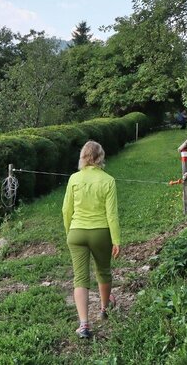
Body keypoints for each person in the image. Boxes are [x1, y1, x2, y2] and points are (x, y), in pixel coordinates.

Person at [62, 140, 121, 339]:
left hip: (76, 232)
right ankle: (104, 308)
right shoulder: (108, 180)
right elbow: (112, 214)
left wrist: (69, 231)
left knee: (80, 278)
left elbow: (66, 210)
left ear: (83, 157)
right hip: (100, 232)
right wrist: (116, 240)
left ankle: (84, 325)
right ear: (100, 157)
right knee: (103, 271)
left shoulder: (74, 179)